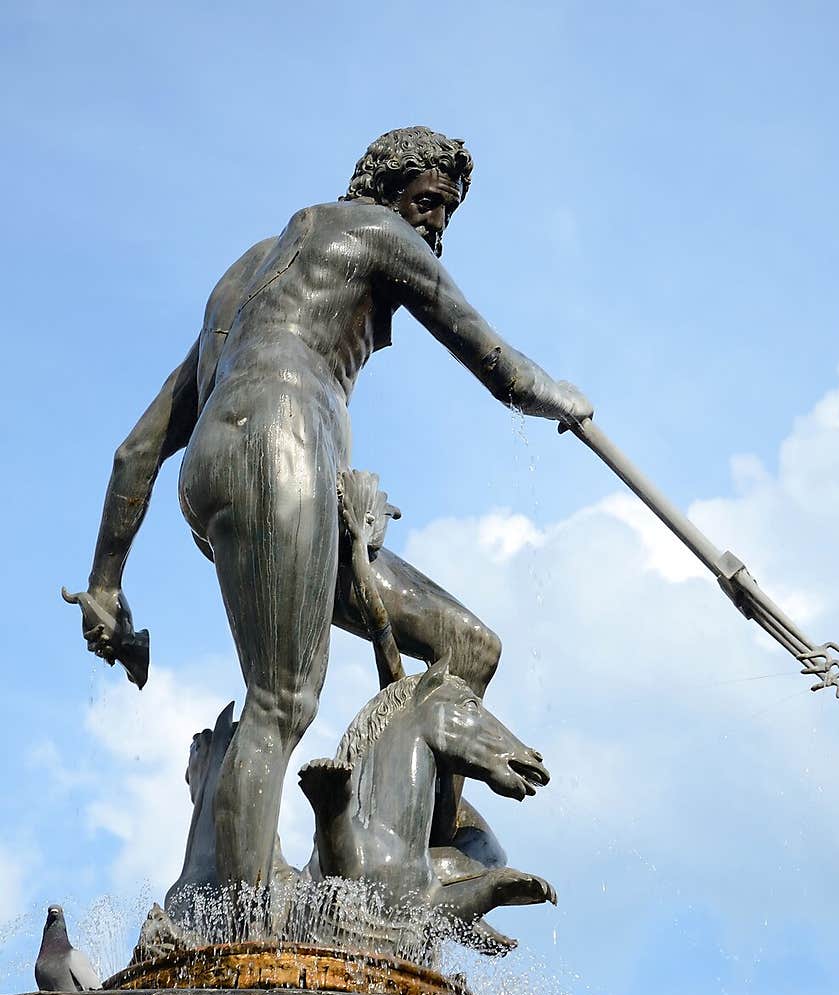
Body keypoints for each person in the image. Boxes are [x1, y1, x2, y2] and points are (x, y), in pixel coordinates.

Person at [71, 127, 593, 891]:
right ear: (382, 189)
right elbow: (498, 364)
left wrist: (106, 585)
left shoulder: (248, 281)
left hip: (234, 464)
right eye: (426, 202)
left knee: (467, 646)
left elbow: (138, 449)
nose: (434, 227)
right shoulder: (374, 229)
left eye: (447, 214)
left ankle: (422, 853)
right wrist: (564, 400)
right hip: (279, 446)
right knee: (281, 701)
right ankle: (245, 924)